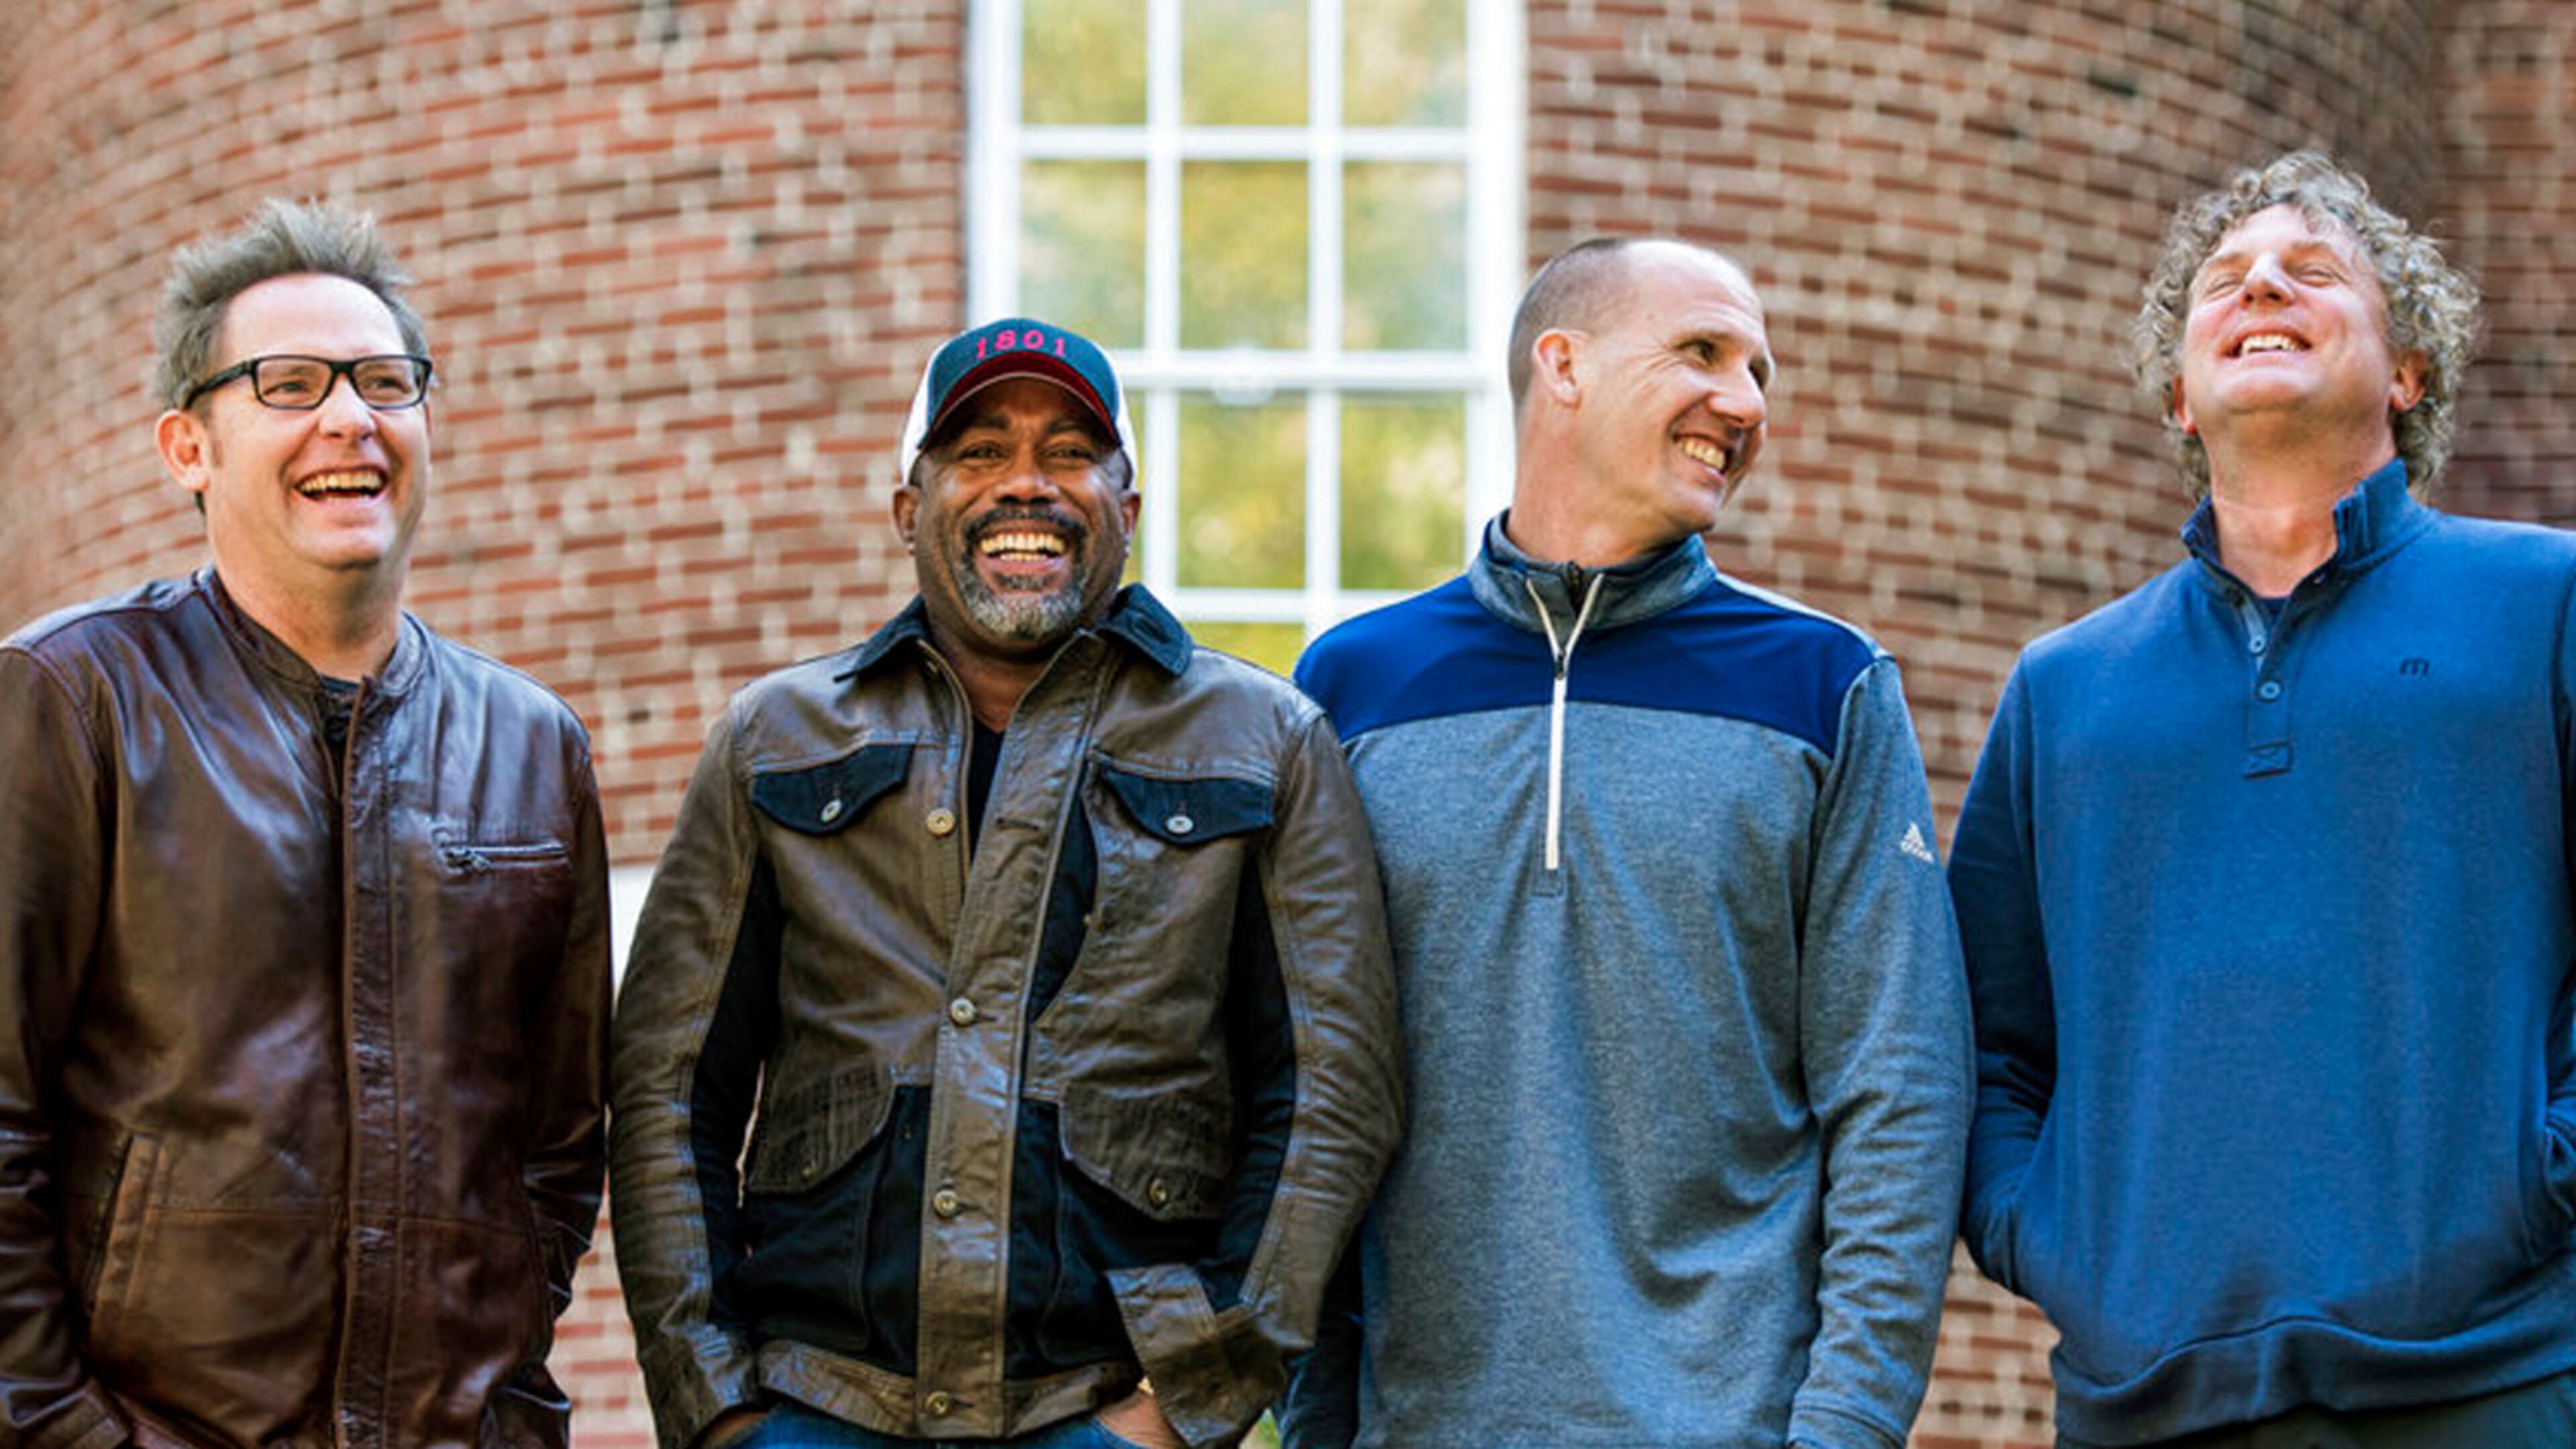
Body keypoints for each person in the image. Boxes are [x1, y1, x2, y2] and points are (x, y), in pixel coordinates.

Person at [608, 317, 1403, 1449]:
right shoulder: (773, 741)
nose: (1025, 485)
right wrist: (719, 1408)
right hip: (816, 1410)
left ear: (1127, 506)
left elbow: (1333, 1090)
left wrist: (1185, 1406)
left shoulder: (1264, 740)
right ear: (908, 507)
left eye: (1071, 453)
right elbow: (667, 1090)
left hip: (1107, 1412)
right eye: (979, 452)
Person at [1281, 237, 1972, 1449]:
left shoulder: (1825, 687)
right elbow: (1311, 1083)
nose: (1746, 403)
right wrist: (1320, 1419)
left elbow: (1898, 1085)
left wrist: (1844, 1430)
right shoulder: (1356, 686)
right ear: (1564, 365)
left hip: (1733, 1426)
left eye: (1760, 371)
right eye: (1702, 353)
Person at [1949, 150, 2576, 1446]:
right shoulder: (2064, 688)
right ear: (2181, 395)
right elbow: (1988, 1045)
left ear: (2408, 374)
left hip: (2493, 1384)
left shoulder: (2547, 605)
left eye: (2313, 271)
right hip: (2146, 1400)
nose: (2262, 288)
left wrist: (2536, 1181)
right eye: (2224, 283)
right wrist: (2060, 1237)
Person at [0, 199, 612, 1448]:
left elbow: (558, 1139)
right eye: (289, 384)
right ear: (188, 447)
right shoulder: (74, 701)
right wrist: (64, 1432)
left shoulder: (533, 746)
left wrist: (495, 1390)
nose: (351, 418)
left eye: (388, 381)